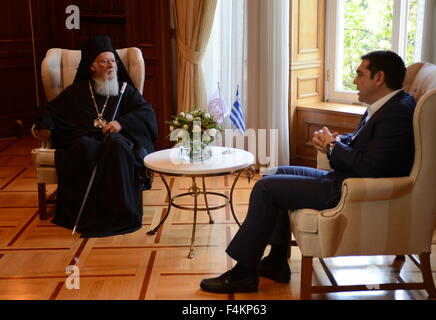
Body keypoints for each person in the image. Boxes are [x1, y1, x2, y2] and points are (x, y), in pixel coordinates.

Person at [200, 50, 416, 293]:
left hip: (350, 190)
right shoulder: (389, 105)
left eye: (359, 74)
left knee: (265, 188)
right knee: (272, 173)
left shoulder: (395, 114)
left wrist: (332, 146)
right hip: (343, 179)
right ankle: (276, 262)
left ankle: (244, 273)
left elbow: (371, 168)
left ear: (379, 78)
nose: (355, 80)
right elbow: (367, 146)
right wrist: (335, 140)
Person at [35, 35, 158, 238]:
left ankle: (122, 214)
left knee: (116, 145)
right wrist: (45, 125)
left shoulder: (125, 90)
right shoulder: (76, 91)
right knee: (85, 147)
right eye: (105, 61)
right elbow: (49, 110)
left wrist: (121, 123)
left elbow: (146, 113)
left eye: (113, 60)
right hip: (84, 139)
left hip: (117, 141)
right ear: (91, 67)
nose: (111, 65)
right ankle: (85, 217)